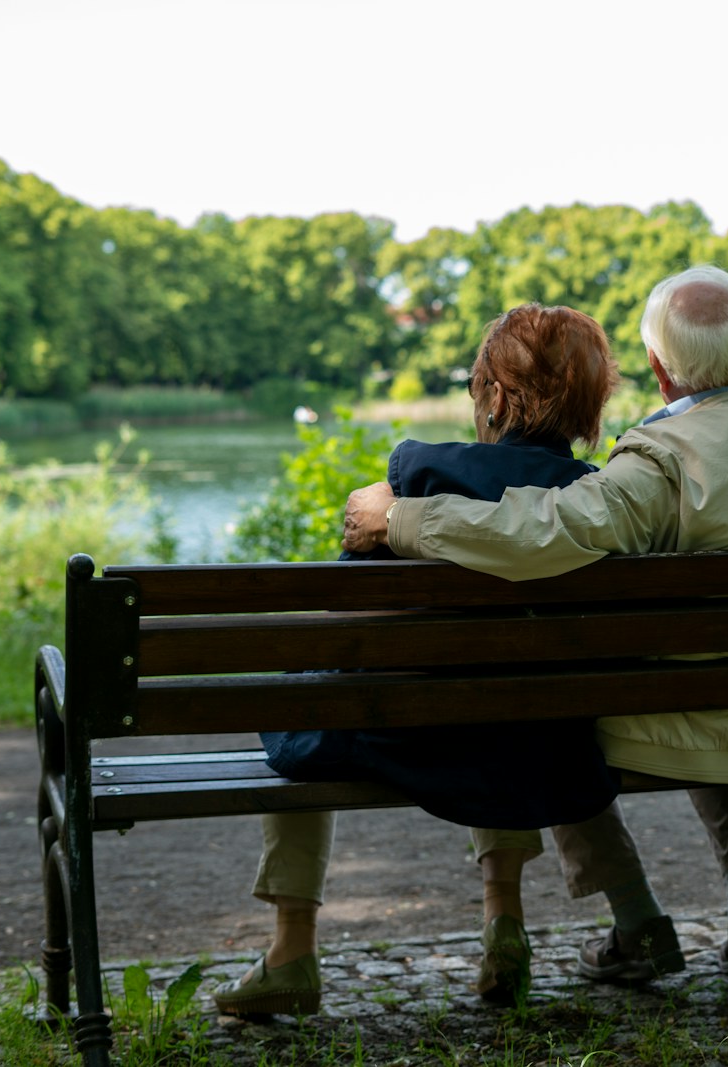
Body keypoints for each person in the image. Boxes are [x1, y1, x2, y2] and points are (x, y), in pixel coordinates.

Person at [341, 265, 728, 983]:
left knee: (549, 699)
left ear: (660, 372)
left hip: (692, 717)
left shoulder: (658, 459)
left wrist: (404, 517)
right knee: (719, 676)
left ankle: (636, 920)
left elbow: (542, 532)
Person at [213, 303, 622, 1016]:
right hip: (535, 740)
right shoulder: (597, 496)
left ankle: (291, 949)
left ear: (495, 396)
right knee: (504, 707)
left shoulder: (421, 474)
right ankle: (504, 920)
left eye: (476, 386)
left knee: (304, 696)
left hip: (400, 730)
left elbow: (348, 615)